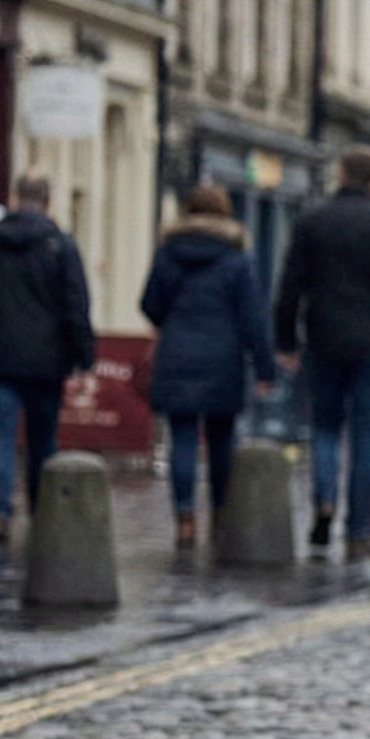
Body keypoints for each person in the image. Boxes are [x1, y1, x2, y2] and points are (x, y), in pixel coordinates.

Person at [273, 146, 370, 560]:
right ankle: (358, 531)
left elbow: (289, 289)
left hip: (322, 338)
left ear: (341, 174)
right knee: (364, 437)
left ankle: (324, 501)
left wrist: (284, 341)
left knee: (323, 428)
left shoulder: (311, 223)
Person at [0, 172, 96, 543]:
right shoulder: (60, 246)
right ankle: (40, 509)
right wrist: (84, 355)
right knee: (42, 439)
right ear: (47, 202)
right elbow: (75, 304)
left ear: (16, 199)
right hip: (46, 361)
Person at [140, 185, 278, 547]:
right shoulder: (236, 259)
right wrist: (265, 368)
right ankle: (219, 510)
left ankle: (184, 517)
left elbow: (150, 305)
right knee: (221, 440)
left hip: (177, 354)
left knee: (182, 438)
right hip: (223, 358)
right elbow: (253, 319)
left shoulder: (169, 254)